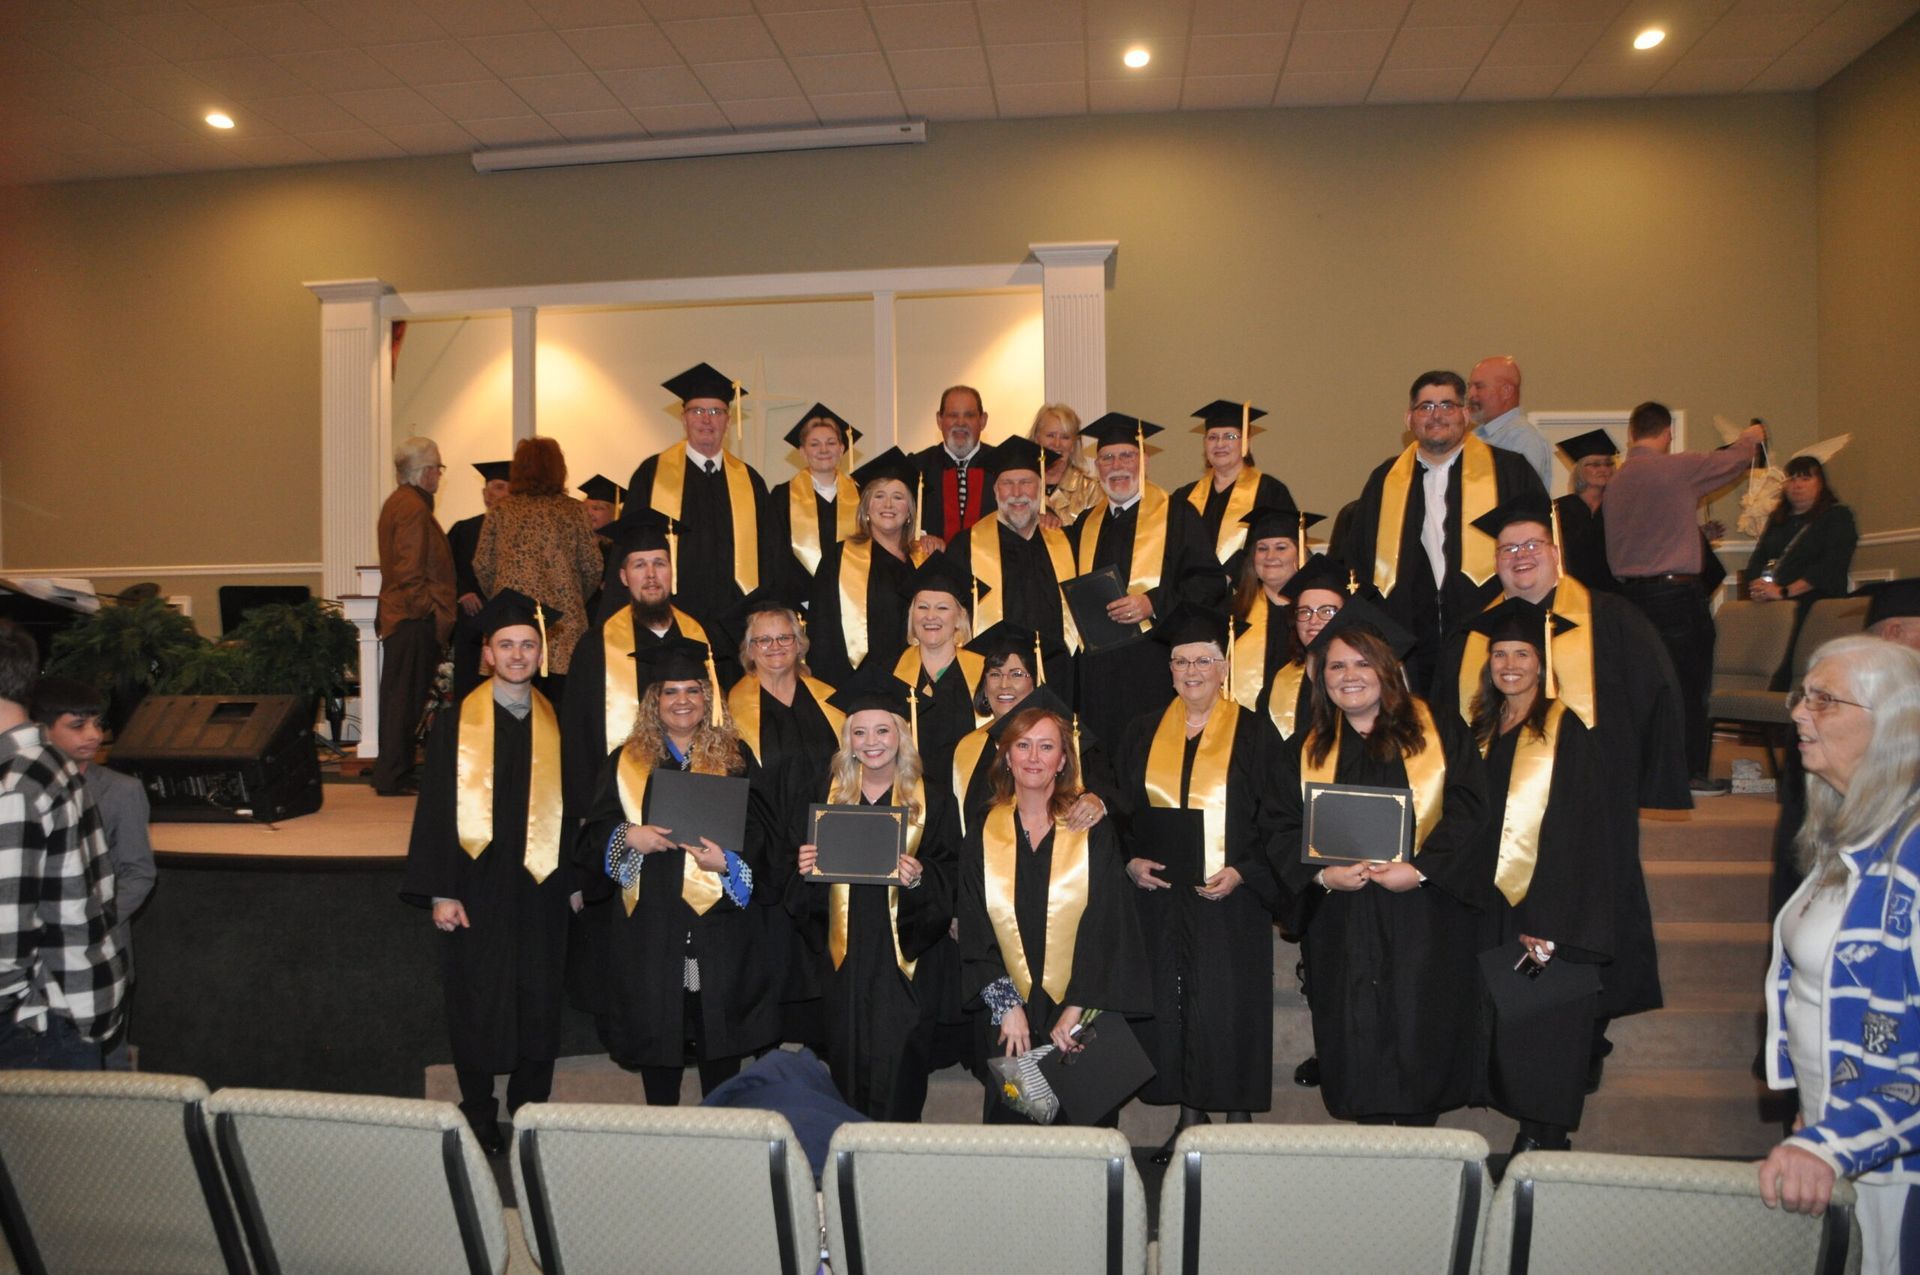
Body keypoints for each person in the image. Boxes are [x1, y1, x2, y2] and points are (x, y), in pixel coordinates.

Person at [1432, 495, 1688, 1080]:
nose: (1520, 557)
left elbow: (1656, 694)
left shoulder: (1609, 616)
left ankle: (1586, 1024)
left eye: (1531, 546)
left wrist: (1646, 778)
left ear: (1555, 552)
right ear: (1495, 561)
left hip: (1587, 806)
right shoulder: (1476, 633)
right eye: (1507, 549)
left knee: (1587, 908)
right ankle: (1501, 1026)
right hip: (1496, 805)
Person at [1273, 601, 1492, 1126]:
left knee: (1422, 1025)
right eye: (1336, 666)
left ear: (1387, 669)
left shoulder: (1437, 732)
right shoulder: (1306, 748)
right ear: (1320, 678)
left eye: (1362, 663)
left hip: (1423, 914)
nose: (1350, 677)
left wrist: (1421, 869)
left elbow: (1472, 810)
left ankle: (1422, 1143)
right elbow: (1276, 827)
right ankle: (1370, 1146)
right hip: (1343, 919)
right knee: (1355, 1033)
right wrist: (1322, 876)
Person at [1760, 635, 1920, 1275]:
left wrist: (1836, 1140)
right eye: (1803, 696)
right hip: (1849, 1147)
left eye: (1824, 701)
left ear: (1894, 726)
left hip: (1900, 1174)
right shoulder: (1853, 835)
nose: (1798, 713)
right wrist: (1818, 1107)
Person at [401, 591, 577, 1154]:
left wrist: (573, 880)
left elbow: (575, 809)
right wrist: (440, 891)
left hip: (542, 882)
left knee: (540, 994)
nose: (519, 654)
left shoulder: (559, 719)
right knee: (475, 996)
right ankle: (477, 1110)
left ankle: (528, 1109)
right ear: (488, 653)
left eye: (528, 644)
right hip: (475, 882)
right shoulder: (458, 722)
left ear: (541, 651)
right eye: (507, 645)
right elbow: (433, 809)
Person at [577, 637, 780, 1104]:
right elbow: (588, 839)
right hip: (652, 924)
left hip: (719, 925)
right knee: (657, 1031)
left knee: (718, 1031)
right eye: (671, 691)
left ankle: (721, 1126)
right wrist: (629, 836)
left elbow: (768, 837)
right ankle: (661, 1128)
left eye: (693, 690)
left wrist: (727, 862)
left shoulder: (735, 759)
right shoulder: (625, 762)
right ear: (654, 701)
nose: (682, 700)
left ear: (708, 700)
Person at [1116, 603, 1286, 1158]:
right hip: (1163, 900)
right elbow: (1123, 813)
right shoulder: (1142, 731)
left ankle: (1235, 1120)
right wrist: (1132, 861)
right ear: (1169, 671)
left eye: (1203, 661)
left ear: (1223, 667)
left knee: (1231, 1002)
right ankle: (1190, 1115)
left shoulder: (1257, 733)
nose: (1192, 672)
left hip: (1231, 899)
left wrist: (1245, 871)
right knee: (1175, 1001)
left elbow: (1282, 819)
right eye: (1181, 662)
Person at [1461, 598, 1610, 1157]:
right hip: (1495, 897)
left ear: (1542, 663)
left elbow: (1582, 833)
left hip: (1545, 903)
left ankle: (1545, 1135)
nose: (1509, 665)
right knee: (1511, 1013)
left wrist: (1550, 918)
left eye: (1521, 653)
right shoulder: (1483, 725)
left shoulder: (1566, 730)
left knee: (1545, 1017)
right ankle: (1526, 1123)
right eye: (1499, 654)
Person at [957, 705, 1150, 1124]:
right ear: (1006, 756)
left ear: (1063, 760)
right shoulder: (984, 830)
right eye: (1022, 745)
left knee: (1082, 1136)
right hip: (1010, 1014)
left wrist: (1078, 1006)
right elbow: (974, 926)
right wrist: (1006, 1006)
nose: (1033, 757)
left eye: (1046, 747)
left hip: (1080, 1011)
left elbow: (1107, 924)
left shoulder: (1090, 831)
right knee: (1014, 1132)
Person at [791, 664, 959, 1118]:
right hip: (845, 961)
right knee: (845, 1058)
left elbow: (953, 871)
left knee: (902, 1061)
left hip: (904, 957)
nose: (871, 742)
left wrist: (922, 875)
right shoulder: (824, 795)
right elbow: (798, 896)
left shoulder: (933, 799)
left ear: (901, 735)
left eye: (882, 730)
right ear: (847, 741)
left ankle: (896, 1162)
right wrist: (805, 870)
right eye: (860, 732)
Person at [1338, 371, 1546, 692]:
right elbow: (1359, 562)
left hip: (1488, 630)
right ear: (1409, 418)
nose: (1436, 415)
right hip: (1407, 637)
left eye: (1447, 405)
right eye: (1426, 407)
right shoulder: (1384, 480)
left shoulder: (1509, 470)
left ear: (1465, 414)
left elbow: (1540, 552)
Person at [1603, 401, 1765, 794]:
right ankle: (1688, 774)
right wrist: (1752, 436)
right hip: (1674, 598)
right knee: (1688, 686)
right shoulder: (1675, 467)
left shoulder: (1617, 481)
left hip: (1629, 600)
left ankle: (1643, 772)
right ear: (1668, 433)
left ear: (1631, 433)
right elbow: (1735, 461)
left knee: (1641, 687)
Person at [1, 624, 126, 1072]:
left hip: (34, 1022)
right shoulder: (48, 761)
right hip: (64, 1005)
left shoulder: (14, 782)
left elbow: (5, 947)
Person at [1067, 412, 1228, 748]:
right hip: (1098, 673)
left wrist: (1152, 602)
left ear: (1144, 461)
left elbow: (1208, 583)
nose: (1117, 465)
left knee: (1149, 753)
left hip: (1153, 664)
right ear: (1097, 467)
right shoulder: (1085, 523)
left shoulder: (1177, 514)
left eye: (1127, 455)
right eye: (1107, 458)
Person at [604, 362, 779, 656]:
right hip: (669, 618)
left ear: (728, 420)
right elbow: (630, 549)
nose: (707, 420)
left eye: (716, 412)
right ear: (684, 419)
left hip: (735, 625)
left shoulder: (750, 481)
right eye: (697, 411)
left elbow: (769, 555)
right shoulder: (652, 474)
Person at [29, 677, 155, 1070]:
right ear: (44, 729)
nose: (93, 735)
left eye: (98, 724)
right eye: (77, 725)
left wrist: (101, 918)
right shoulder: (26, 787)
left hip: (104, 952)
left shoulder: (122, 791)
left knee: (107, 1065)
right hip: (40, 960)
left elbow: (139, 873)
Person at [561, 512, 714, 828]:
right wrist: (586, 811)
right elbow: (578, 736)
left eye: (659, 563)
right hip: (617, 803)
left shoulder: (697, 636)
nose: (651, 575)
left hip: (693, 799)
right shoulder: (595, 646)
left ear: (672, 570)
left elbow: (715, 719)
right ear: (622, 576)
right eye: (639, 565)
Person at [472, 437, 603, 705]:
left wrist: (503, 599)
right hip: (564, 628)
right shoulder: (574, 511)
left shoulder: (500, 511)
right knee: (562, 710)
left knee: (512, 706)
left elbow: (482, 565)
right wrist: (574, 597)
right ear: (559, 469)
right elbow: (592, 566)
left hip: (513, 625)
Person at [944, 436, 1080, 689]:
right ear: (995, 491)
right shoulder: (966, 547)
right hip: (995, 679)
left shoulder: (1067, 542)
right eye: (1007, 484)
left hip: (1059, 675)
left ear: (1040, 489)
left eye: (1026, 483)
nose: (1017, 493)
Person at [372, 436, 457, 796]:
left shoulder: (402, 502)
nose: (439, 475)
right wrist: (429, 613)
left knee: (400, 700)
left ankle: (395, 772)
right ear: (424, 473)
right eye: (437, 468)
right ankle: (393, 776)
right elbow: (409, 572)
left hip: (404, 617)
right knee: (403, 702)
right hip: (411, 620)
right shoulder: (412, 508)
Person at [806, 447, 922, 687]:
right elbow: (822, 629)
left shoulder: (922, 562)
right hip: (853, 681)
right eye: (879, 496)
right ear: (866, 508)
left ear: (909, 511)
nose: (888, 504)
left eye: (898, 497)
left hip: (914, 684)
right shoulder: (839, 558)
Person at [895, 552, 990, 782]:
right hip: (912, 791)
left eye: (942, 608)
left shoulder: (984, 673)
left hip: (970, 789)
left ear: (959, 618)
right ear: (912, 615)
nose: (930, 616)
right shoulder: (893, 671)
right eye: (923, 607)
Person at [1224, 504, 1323, 714]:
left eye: (1281, 547)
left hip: (1308, 721)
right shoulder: (1232, 613)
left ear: (1301, 553)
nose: (1270, 556)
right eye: (1262, 548)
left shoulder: (1319, 614)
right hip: (1246, 727)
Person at [1171, 400, 1296, 564]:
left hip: (1248, 586)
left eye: (1230, 436)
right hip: (1194, 588)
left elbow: (1284, 546)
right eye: (1212, 437)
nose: (1220, 444)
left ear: (1246, 442)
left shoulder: (1270, 491)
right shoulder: (1184, 496)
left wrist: (1229, 576)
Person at [768, 404, 861, 601]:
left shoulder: (861, 496)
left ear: (842, 448)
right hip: (800, 601)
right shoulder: (782, 496)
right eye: (814, 444)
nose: (823, 449)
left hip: (851, 598)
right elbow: (777, 556)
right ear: (802, 452)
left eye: (831, 442)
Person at [1747, 456, 1859, 607]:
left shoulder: (1837, 517)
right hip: (1774, 601)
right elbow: (1758, 558)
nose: (1797, 485)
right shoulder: (1778, 519)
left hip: (1817, 603)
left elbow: (1830, 565)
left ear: (1820, 483)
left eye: (1805, 479)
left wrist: (1785, 592)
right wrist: (1758, 588)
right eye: (1791, 479)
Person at [448, 460, 512, 700]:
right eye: (497, 487)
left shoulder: (522, 533)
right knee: (470, 689)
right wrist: (462, 591)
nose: (503, 494)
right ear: (485, 494)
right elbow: (446, 567)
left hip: (508, 621)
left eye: (508, 488)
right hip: (472, 622)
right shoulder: (464, 530)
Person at [910, 385, 998, 552]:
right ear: (939, 420)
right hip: (932, 570)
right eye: (952, 415)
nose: (960, 423)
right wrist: (920, 536)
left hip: (991, 570)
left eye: (969, 415)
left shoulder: (1002, 466)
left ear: (983, 421)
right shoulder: (918, 466)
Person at [1468, 356, 1553, 491]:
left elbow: (1520, 497)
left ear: (1506, 391)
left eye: (1479, 387)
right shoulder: (1476, 436)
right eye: (1470, 387)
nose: (1471, 394)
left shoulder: (1524, 438)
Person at [1552, 429, 1619, 593]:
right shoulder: (1559, 509)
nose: (1603, 469)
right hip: (1572, 592)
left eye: (1608, 463)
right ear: (1580, 469)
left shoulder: (1619, 507)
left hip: (1614, 593)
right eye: (1595, 464)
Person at [1032, 403, 1100, 526]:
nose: (1057, 443)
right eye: (1050, 435)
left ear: (1073, 444)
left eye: (1065, 437)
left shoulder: (1090, 489)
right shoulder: (1020, 485)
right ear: (1037, 439)